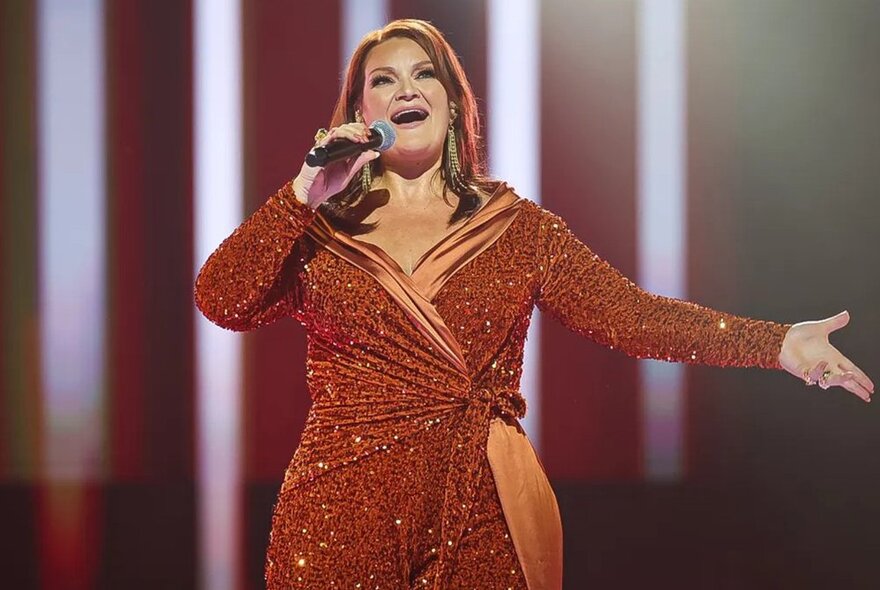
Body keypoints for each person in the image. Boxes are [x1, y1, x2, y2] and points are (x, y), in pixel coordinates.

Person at [194, 18, 874, 590]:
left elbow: (630, 316)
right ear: (361, 116)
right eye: (383, 79)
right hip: (339, 514)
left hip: (481, 513)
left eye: (423, 73)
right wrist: (301, 194)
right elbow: (221, 298)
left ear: (453, 102)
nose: (406, 87)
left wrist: (775, 343)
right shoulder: (320, 233)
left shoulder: (517, 230)